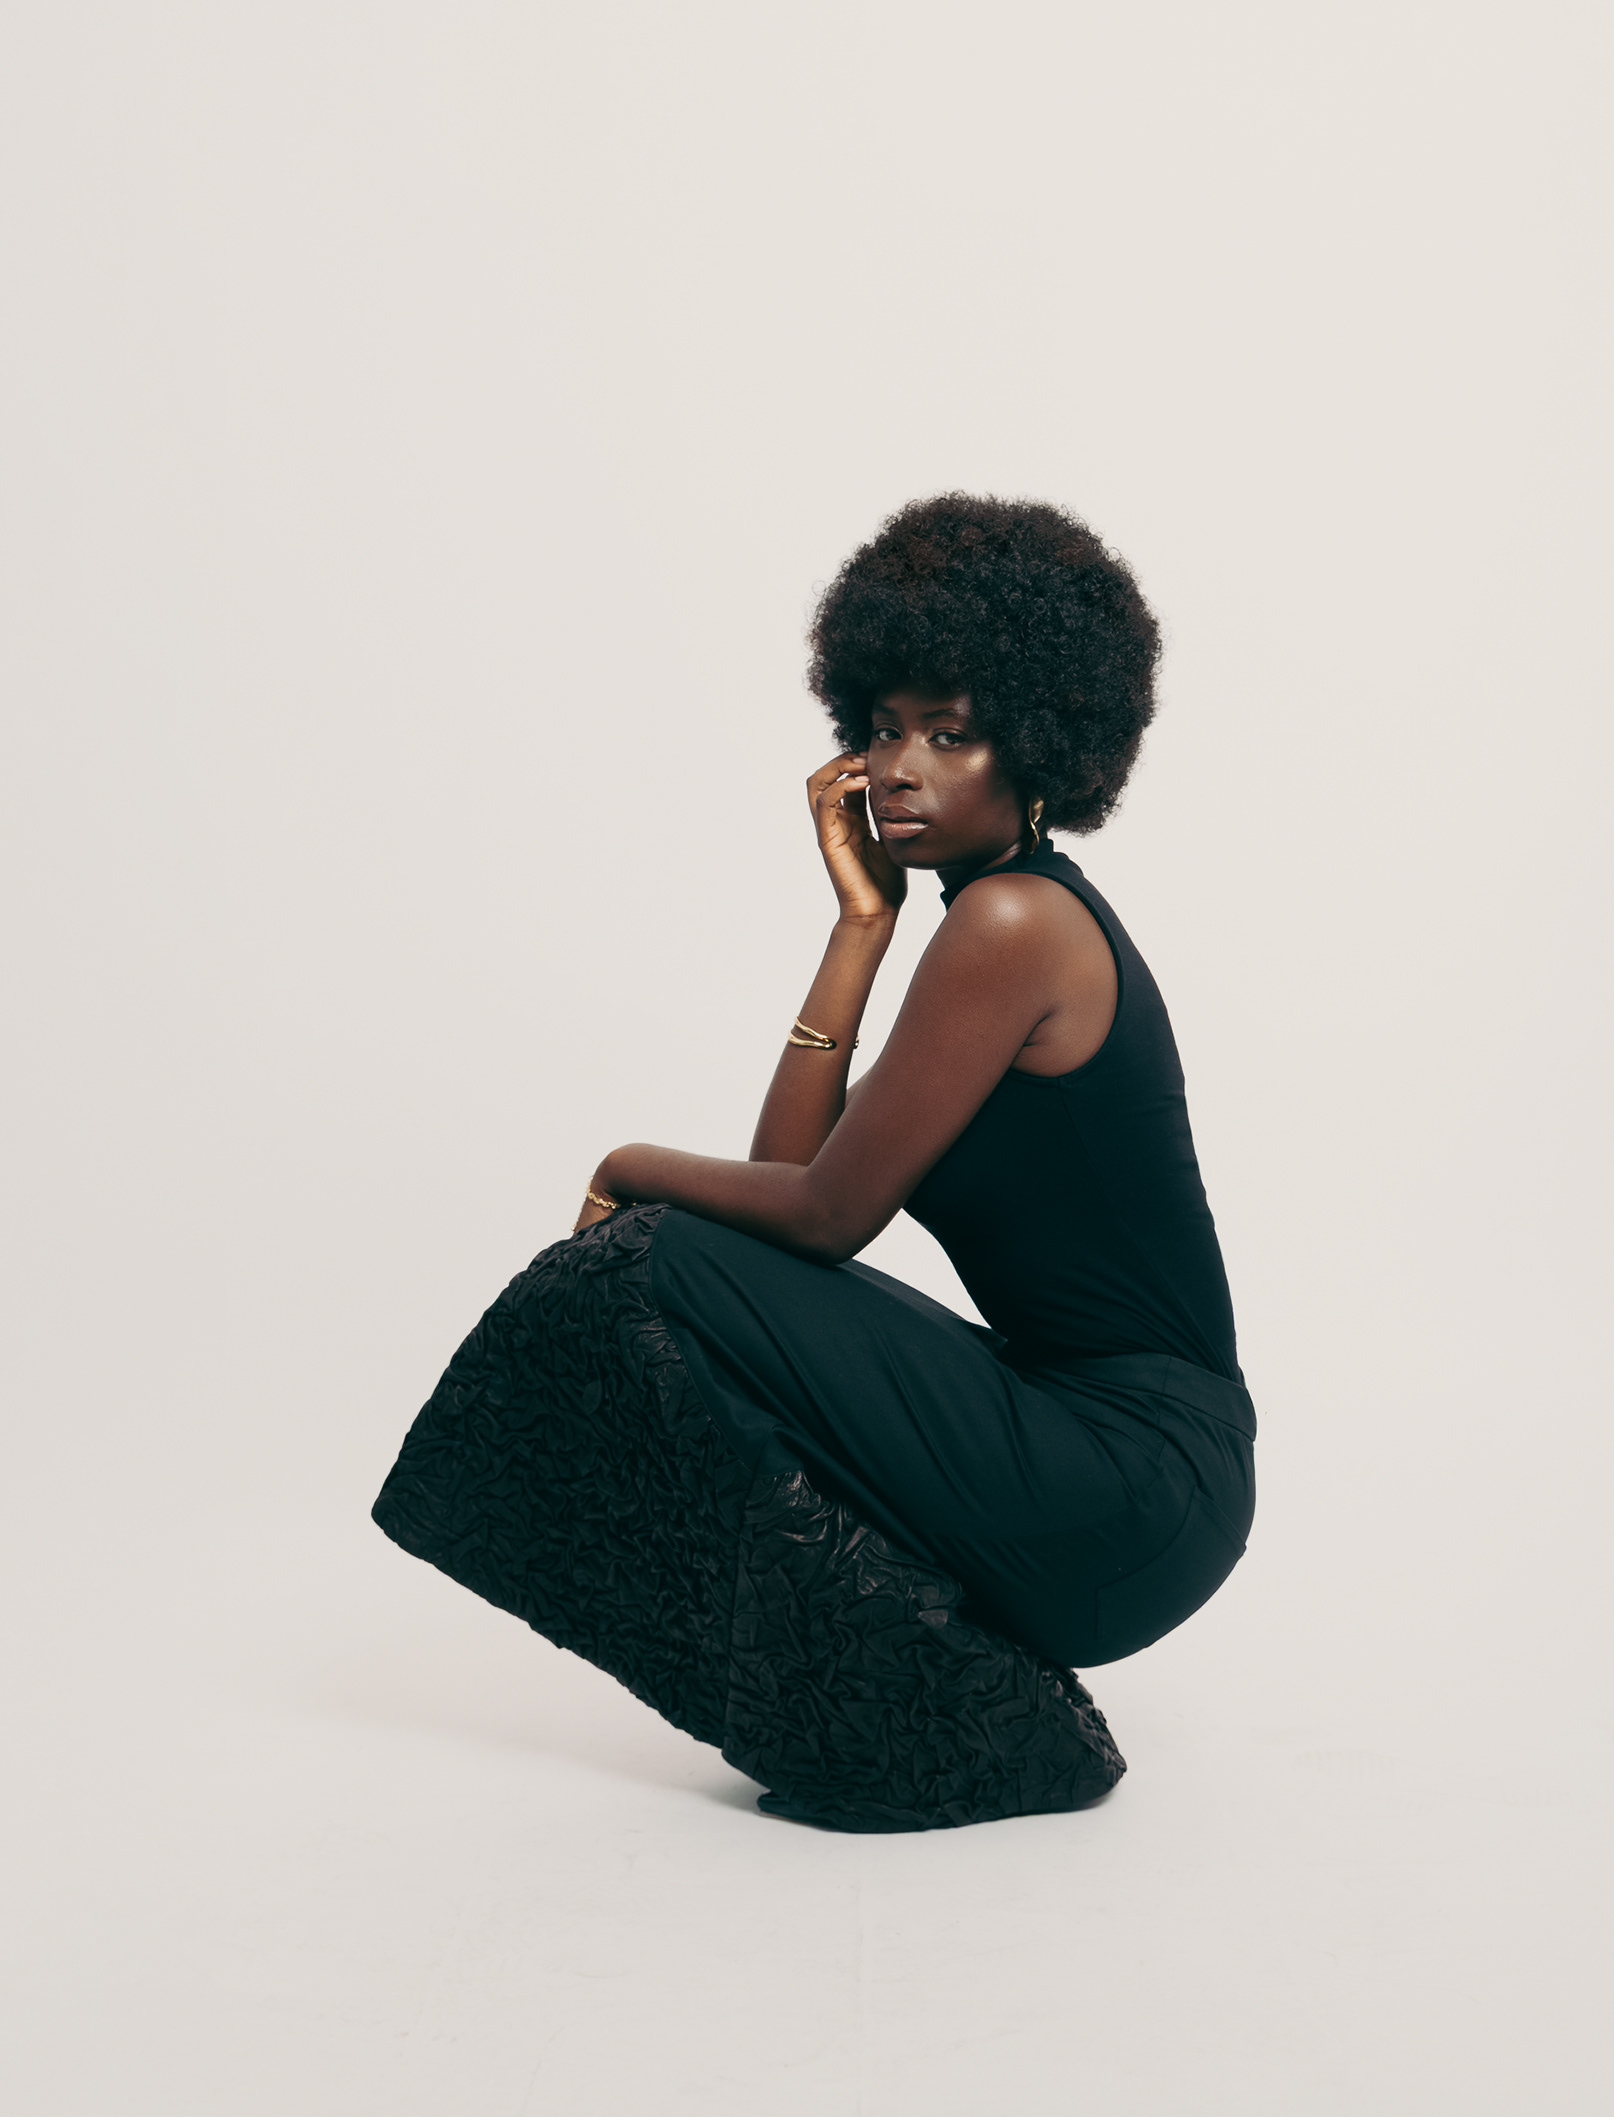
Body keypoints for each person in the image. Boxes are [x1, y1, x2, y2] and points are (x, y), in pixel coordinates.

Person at [374, 495, 1253, 1831]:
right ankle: (895, 1699)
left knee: (654, 1254)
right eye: (883, 729)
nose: (899, 768)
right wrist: (858, 925)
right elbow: (788, 1190)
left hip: (1132, 1483)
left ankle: (917, 1720)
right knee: (676, 1261)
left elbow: (824, 1215)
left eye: (949, 733)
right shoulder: (979, 919)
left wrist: (629, 1160)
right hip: (1098, 1459)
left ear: (1042, 742)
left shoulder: (1016, 923)